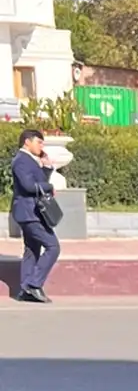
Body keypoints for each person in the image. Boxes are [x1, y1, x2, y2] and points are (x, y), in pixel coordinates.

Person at [11, 126, 60, 303]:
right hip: (29, 212)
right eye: (39, 142)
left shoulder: (30, 160)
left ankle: (25, 290)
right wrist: (50, 187)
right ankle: (33, 284)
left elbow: (38, 182)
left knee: (32, 250)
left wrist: (46, 169)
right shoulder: (21, 160)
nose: (42, 146)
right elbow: (29, 186)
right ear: (27, 142)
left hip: (31, 211)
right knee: (53, 247)